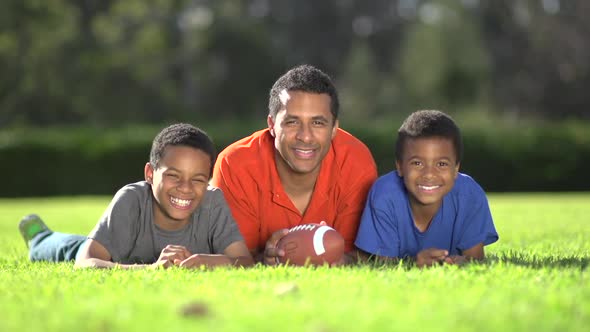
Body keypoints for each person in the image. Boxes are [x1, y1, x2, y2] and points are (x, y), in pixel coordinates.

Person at [18, 123, 254, 269]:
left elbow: (244, 262)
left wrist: (204, 260)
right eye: (174, 176)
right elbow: (86, 262)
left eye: (198, 179)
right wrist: (153, 269)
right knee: (70, 250)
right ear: (150, 174)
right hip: (108, 253)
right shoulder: (131, 199)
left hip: (117, 251)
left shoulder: (213, 202)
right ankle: (40, 237)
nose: (186, 188)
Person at [210, 64, 378, 265]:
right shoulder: (235, 165)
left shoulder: (355, 161)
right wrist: (264, 260)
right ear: (272, 125)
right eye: (292, 122)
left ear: (334, 128)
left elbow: (364, 257)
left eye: (318, 123)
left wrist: (340, 260)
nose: (305, 136)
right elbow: (233, 259)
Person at [354, 110, 498, 268]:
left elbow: (476, 260)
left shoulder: (469, 195)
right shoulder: (384, 195)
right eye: (417, 163)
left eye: (442, 164)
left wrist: (461, 263)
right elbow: (384, 266)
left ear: (456, 168)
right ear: (400, 166)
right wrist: (414, 265)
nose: (429, 174)